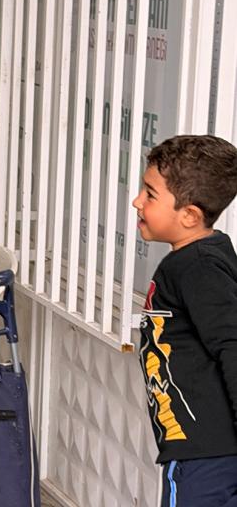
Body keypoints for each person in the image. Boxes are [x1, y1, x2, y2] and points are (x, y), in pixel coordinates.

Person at [132, 135, 237, 507]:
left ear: (190, 215)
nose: (137, 201)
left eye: (150, 194)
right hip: (207, 453)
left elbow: (231, 344)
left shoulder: (198, 267)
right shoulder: (196, 260)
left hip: (204, 456)